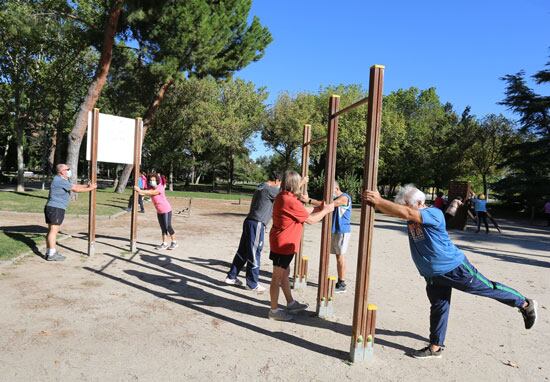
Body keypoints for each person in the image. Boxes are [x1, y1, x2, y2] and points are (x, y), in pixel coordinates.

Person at [364, 184, 537, 359]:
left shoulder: (433, 213)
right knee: (439, 307)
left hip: (454, 268)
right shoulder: (412, 216)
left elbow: (407, 213)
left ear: (419, 202)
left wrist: (379, 200)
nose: (404, 208)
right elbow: (398, 212)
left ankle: (525, 304)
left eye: (406, 204)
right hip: (432, 274)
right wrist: (377, 203)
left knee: (487, 288)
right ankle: (435, 346)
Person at [268, 171, 334, 321]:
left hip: (282, 243)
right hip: (283, 244)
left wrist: (319, 208)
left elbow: (303, 211)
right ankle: (274, 310)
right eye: (298, 182)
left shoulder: (285, 197)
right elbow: (310, 220)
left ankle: (290, 303)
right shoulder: (288, 200)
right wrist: (326, 210)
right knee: (277, 277)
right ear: (294, 184)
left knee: (284, 273)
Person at [225, 172, 282, 293]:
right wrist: (301, 183)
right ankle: (252, 283)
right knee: (254, 253)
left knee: (243, 251)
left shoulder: (261, 185)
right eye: (280, 183)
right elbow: (283, 195)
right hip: (257, 223)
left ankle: (232, 276)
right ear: (277, 181)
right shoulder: (270, 189)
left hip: (250, 221)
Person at [44, 164, 96, 261]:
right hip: (56, 208)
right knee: (53, 231)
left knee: (51, 231)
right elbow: (75, 189)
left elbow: (74, 186)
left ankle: (50, 252)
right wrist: (90, 188)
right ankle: (51, 254)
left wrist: (87, 185)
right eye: (67, 169)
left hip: (53, 208)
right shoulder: (59, 180)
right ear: (61, 171)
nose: (69, 170)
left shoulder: (62, 180)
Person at [307, 181, 352, 293]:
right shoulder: (337, 198)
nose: (329, 194)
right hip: (334, 230)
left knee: (340, 256)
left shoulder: (344, 198)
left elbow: (328, 205)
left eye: (331, 191)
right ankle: (339, 282)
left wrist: (309, 200)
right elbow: (325, 204)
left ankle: (342, 283)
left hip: (342, 230)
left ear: (336, 189)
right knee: (336, 256)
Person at [134, 173, 177, 250]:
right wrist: (138, 190)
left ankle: (174, 242)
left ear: (157, 180)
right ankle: (164, 243)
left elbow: (152, 193)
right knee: (163, 227)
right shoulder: (151, 188)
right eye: (150, 180)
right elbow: (144, 193)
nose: (152, 181)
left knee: (168, 226)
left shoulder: (160, 188)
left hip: (166, 210)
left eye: (153, 180)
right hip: (159, 211)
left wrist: (140, 190)